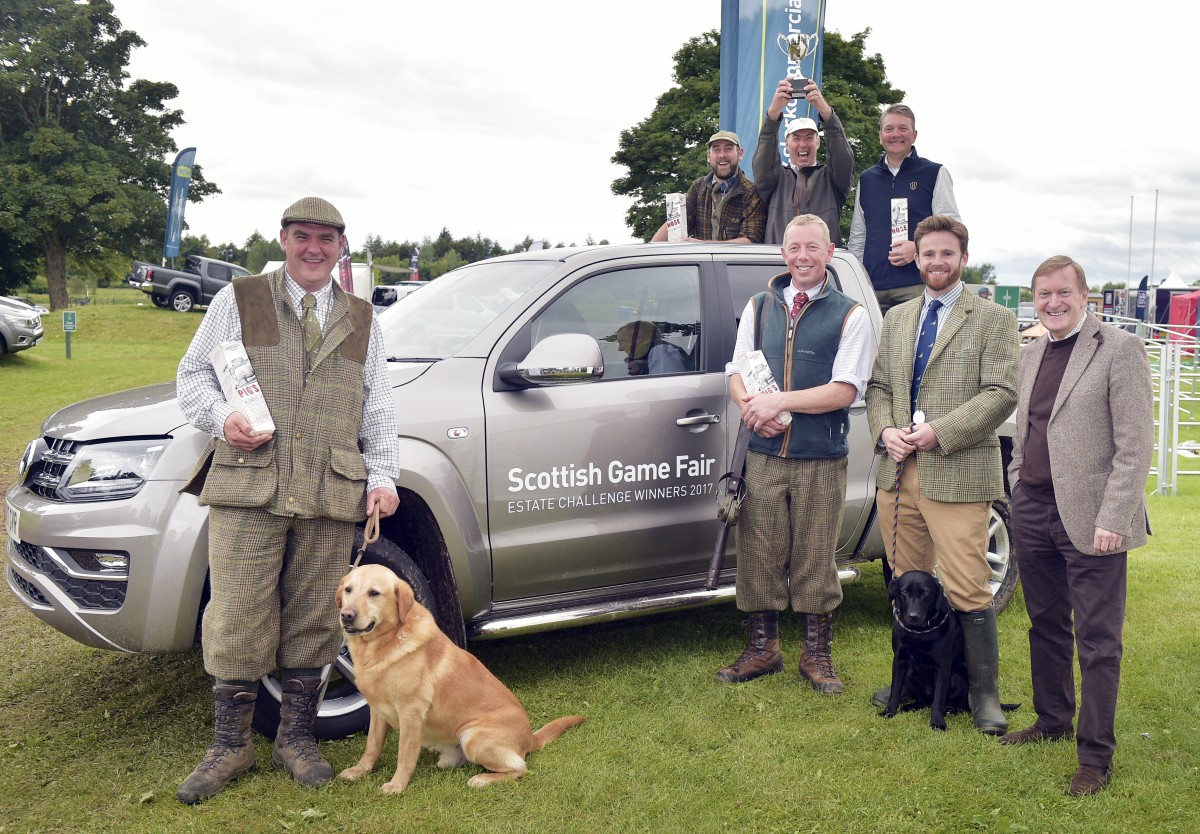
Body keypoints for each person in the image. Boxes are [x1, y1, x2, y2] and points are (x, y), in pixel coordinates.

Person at [174, 197, 401, 804]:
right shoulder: (241, 300)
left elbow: (377, 405)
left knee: (315, 615)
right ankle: (231, 746)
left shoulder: (363, 318)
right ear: (283, 239)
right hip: (251, 484)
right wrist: (224, 418)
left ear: (340, 247)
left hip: (330, 488)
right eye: (303, 236)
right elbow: (193, 375)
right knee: (237, 611)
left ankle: (296, 740)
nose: (314, 249)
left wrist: (383, 475)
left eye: (326, 240)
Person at [999, 256, 1153, 797]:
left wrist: (1114, 517)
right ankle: (1052, 719)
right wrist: (1018, 483)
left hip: (1093, 519)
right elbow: (1027, 428)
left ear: (1084, 296)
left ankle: (1095, 757)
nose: (1053, 303)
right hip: (1035, 510)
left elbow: (1135, 446)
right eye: (1043, 294)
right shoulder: (1033, 350)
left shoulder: (1119, 349)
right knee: (1045, 624)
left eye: (1063, 293)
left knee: (1097, 640)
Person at [865, 214, 1017, 733]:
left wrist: (940, 433)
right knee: (908, 584)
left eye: (946, 254)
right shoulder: (899, 316)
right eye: (928, 253)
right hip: (899, 469)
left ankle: (983, 696)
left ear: (963, 258)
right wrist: (886, 431)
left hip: (958, 471)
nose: (936, 262)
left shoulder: (993, 319)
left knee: (968, 588)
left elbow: (1000, 393)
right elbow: (880, 387)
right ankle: (910, 686)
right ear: (917, 256)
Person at [717, 214, 876, 692]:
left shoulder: (851, 314)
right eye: (793, 247)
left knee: (814, 556)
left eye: (813, 247)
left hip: (821, 458)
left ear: (829, 253)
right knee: (758, 553)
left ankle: (817, 656)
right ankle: (762, 651)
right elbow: (736, 370)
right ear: (782, 253)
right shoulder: (759, 306)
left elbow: (844, 390)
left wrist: (779, 402)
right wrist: (751, 408)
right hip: (763, 456)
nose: (802, 256)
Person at [847, 105, 961, 316]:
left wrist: (918, 247)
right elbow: (858, 234)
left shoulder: (934, 173)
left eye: (903, 128)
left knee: (913, 348)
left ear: (914, 135)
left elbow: (952, 228)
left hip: (917, 286)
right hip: (873, 288)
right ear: (880, 135)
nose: (896, 134)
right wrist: (858, 278)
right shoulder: (866, 178)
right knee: (874, 349)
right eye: (889, 129)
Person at [752, 79, 854, 247]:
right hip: (779, 264)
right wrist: (773, 113)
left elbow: (842, 157)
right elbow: (763, 161)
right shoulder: (776, 180)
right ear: (787, 144)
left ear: (818, 143)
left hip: (823, 267)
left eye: (809, 138)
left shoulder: (831, 179)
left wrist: (826, 113)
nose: (803, 144)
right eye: (796, 138)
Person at [652, 130, 765, 244]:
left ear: (740, 154)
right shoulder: (698, 187)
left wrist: (701, 245)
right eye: (716, 149)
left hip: (735, 262)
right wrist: (651, 248)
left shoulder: (752, 192)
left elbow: (752, 239)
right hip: (702, 261)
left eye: (728, 148)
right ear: (708, 156)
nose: (722, 155)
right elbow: (678, 222)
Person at [615, 320, 688, 375]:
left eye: (622, 341)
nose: (620, 349)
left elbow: (666, 386)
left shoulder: (660, 350)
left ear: (640, 338)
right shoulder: (650, 354)